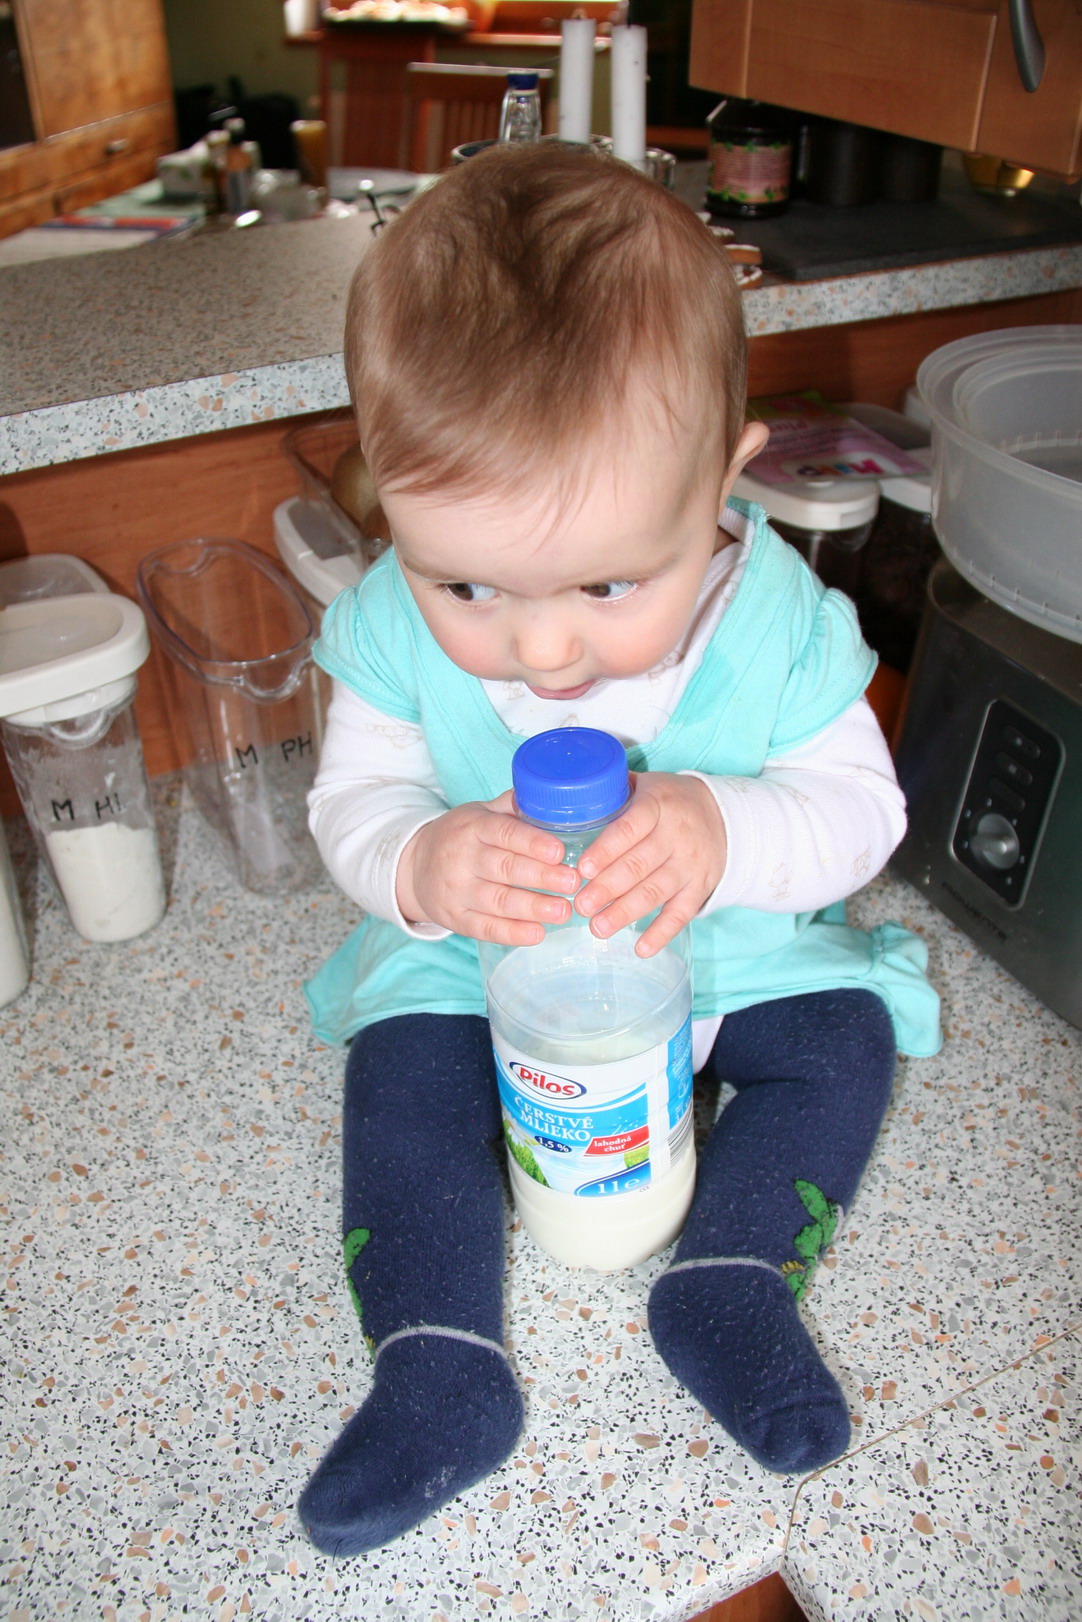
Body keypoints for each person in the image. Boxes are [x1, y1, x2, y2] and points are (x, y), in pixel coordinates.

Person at [298, 142, 941, 1559]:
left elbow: (860, 811)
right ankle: (436, 1362)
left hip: (729, 953)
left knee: (840, 1036)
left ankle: (731, 1278)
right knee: (399, 1072)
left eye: (605, 582)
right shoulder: (392, 626)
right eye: (466, 584)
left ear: (723, 479)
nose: (543, 650)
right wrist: (420, 860)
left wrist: (723, 825)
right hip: (494, 963)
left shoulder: (779, 622)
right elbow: (352, 800)